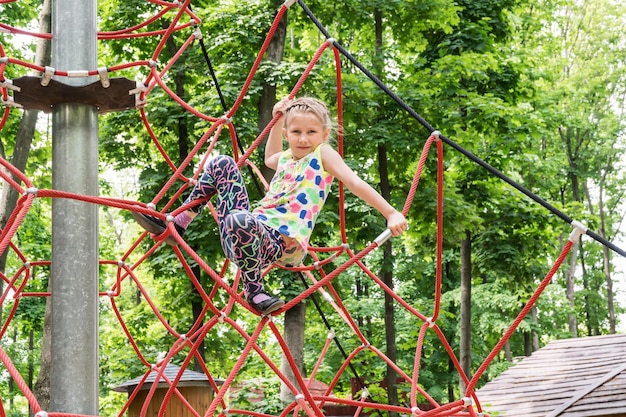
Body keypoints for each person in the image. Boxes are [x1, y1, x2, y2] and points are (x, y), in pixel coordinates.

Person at [133, 97, 408, 315]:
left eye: (311, 132)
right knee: (222, 163)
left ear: (324, 134)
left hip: (282, 245)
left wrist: (390, 212)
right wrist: (277, 121)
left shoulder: (323, 155)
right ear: (288, 133)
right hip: (247, 234)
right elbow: (270, 158)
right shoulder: (287, 157)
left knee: (239, 220)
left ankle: (254, 290)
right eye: (296, 132)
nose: (303, 139)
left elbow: (355, 182)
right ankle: (180, 222)